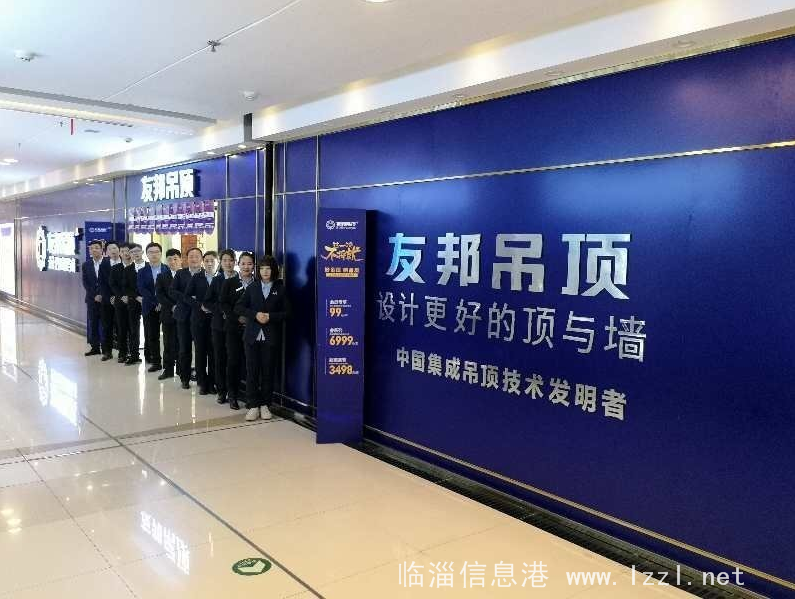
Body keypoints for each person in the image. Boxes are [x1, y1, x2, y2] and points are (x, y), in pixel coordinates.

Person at [234, 255, 289, 421]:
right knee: (252, 371)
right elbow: (238, 307)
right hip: (251, 336)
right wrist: (255, 314)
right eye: (262, 268)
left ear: (274, 270)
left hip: (270, 337)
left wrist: (270, 316)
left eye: (268, 268)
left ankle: (265, 404)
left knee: (267, 371)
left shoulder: (280, 288)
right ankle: (253, 405)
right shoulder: (253, 287)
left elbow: (288, 313)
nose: (265, 271)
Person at [219, 252, 255, 410]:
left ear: (254, 266)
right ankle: (232, 394)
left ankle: (249, 395)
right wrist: (237, 317)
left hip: (252, 328)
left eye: (250, 264)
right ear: (238, 265)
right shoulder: (229, 282)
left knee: (250, 362)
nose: (246, 267)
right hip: (233, 328)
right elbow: (223, 303)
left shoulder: (258, 283)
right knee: (233, 361)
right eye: (243, 263)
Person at [202, 249, 236, 405]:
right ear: (220, 263)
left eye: (231, 260)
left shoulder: (241, 279)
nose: (228, 263)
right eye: (225, 260)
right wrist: (222, 311)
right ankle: (221, 391)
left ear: (235, 262)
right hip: (218, 325)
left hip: (235, 326)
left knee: (233, 359)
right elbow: (207, 302)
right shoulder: (217, 280)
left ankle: (234, 392)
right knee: (219, 358)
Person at [168, 247, 203, 389]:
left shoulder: (206, 274)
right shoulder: (181, 273)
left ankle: (201, 379)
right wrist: (188, 298)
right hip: (183, 316)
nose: (194, 259)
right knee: (184, 348)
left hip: (200, 317)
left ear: (201, 259)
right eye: (191, 256)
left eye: (196, 256)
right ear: (186, 259)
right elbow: (172, 291)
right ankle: (185, 378)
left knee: (200, 349)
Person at [185, 250, 218, 395]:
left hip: (215, 320)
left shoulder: (221, 278)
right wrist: (201, 306)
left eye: (212, 261)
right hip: (198, 320)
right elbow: (187, 297)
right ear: (203, 262)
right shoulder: (197, 277)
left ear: (217, 262)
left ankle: (212, 382)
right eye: (207, 261)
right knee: (200, 352)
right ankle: (202, 383)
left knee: (214, 352)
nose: (209, 263)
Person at [156, 248, 182, 380]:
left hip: (183, 315)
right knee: (168, 343)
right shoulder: (162, 276)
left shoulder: (187, 275)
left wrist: (180, 306)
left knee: (182, 343)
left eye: (175, 259)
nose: (173, 262)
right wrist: (172, 306)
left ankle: (182, 370)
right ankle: (168, 370)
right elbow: (160, 295)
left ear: (181, 260)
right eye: (170, 259)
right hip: (168, 314)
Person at [137, 242, 163, 372]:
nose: (154, 254)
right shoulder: (142, 271)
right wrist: (155, 302)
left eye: (156, 252)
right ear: (147, 254)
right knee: (152, 336)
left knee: (170, 336)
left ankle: (170, 361)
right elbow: (142, 289)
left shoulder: (167, 269)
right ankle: (156, 361)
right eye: (151, 252)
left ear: (161, 253)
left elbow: (170, 288)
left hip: (166, 307)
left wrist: (161, 302)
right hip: (149, 307)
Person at [81, 239, 109, 356]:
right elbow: (86, 283)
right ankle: (95, 347)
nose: (94, 250)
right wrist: (95, 295)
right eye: (91, 248)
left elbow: (110, 282)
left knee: (106, 324)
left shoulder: (108, 263)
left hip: (105, 299)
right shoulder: (86, 265)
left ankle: (106, 349)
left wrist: (102, 294)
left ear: (102, 249)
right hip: (92, 299)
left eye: (96, 248)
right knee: (93, 323)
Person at [122, 243, 147, 365]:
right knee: (133, 330)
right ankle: (134, 355)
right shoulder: (127, 269)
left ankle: (150, 355)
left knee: (149, 330)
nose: (135, 253)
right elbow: (125, 287)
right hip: (133, 302)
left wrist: (146, 298)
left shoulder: (150, 267)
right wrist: (137, 297)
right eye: (132, 252)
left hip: (149, 302)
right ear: (130, 254)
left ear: (142, 252)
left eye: (137, 251)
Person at [109, 243, 132, 363]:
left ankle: (133, 353)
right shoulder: (115, 268)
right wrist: (122, 296)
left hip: (134, 302)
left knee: (134, 329)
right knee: (121, 328)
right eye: (122, 251)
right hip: (120, 302)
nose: (125, 253)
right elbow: (113, 284)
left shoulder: (137, 267)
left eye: (127, 251)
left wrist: (130, 296)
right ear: (120, 253)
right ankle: (122, 353)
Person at [98, 240, 121, 361]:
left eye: (115, 248)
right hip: (107, 302)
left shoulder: (125, 262)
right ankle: (107, 351)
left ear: (119, 250)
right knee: (107, 326)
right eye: (110, 249)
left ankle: (123, 352)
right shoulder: (104, 264)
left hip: (121, 301)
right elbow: (102, 284)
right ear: (106, 252)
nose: (113, 250)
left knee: (122, 326)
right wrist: (109, 297)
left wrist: (118, 297)